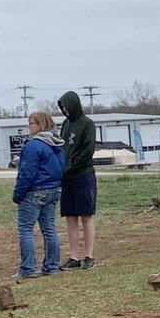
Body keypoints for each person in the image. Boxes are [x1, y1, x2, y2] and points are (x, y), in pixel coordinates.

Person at [12, 112, 65, 279]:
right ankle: (52, 266)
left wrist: (18, 194)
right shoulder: (57, 145)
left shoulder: (33, 146)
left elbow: (27, 172)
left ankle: (27, 269)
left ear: (39, 125)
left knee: (25, 229)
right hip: (53, 190)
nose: (29, 127)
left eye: (31, 123)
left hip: (34, 191)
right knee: (49, 229)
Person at [57, 90, 97, 270]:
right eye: (62, 108)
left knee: (86, 216)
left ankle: (89, 256)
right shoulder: (65, 124)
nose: (65, 111)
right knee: (70, 218)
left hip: (83, 175)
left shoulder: (87, 124)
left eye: (66, 107)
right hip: (66, 178)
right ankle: (74, 257)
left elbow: (88, 150)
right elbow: (61, 148)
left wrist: (73, 166)